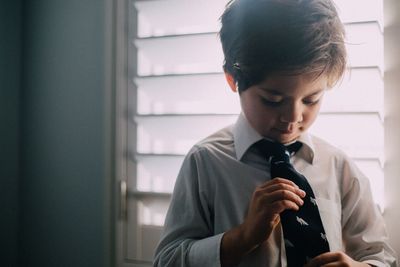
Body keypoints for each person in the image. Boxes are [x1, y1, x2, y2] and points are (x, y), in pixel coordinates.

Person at [153, 0, 397, 266]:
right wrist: (242, 237)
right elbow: (167, 260)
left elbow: (379, 255)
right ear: (233, 80)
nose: (292, 117)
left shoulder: (340, 168)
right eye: (272, 99)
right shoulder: (205, 162)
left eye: (311, 100)